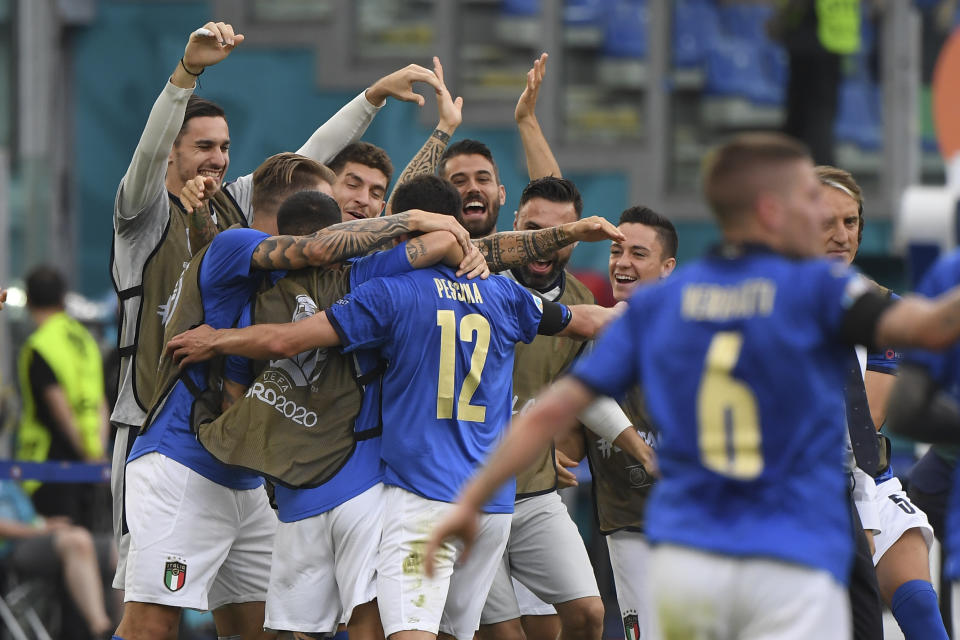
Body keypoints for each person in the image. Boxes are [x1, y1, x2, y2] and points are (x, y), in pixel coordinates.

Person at [426, 131, 960, 640]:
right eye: (807, 199)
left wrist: (470, 500)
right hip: (787, 550)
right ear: (771, 208)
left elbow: (551, 410)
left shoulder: (662, 304)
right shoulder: (814, 290)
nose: (820, 215)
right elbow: (929, 327)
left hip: (690, 560)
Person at [165, 175, 626, 640]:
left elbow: (286, 339)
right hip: (493, 506)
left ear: (403, 236)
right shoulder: (503, 294)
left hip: (424, 497)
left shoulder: (391, 294)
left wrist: (216, 339)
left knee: (406, 631)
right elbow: (584, 320)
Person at [110, 21, 444, 602]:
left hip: (239, 437)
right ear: (173, 151)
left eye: (224, 147)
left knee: (254, 616)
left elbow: (304, 171)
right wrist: (186, 75)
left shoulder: (238, 211)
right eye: (202, 146)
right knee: (147, 604)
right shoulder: (143, 217)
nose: (216, 158)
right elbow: (147, 152)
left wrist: (370, 99)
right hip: (152, 422)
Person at [115, 186, 469, 640]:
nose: (355, 226)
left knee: (258, 630)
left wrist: (454, 235)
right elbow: (323, 254)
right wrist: (426, 219)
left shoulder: (320, 281)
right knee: (152, 624)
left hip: (252, 478)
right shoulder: (235, 247)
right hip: (184, 463)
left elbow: (239, 394)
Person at [817, 164, 945, 639]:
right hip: (797, 487)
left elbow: (867, 419)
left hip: (867, 476)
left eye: (850, 222)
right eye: (826, 222)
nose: (840, 235)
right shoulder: (765, 302)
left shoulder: (882, 309)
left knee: (920, 609)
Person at [556, 205, 677, 640]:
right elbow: (574, 425)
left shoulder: (697, 331)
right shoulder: (592, 331)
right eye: (615, 251)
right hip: (627, 522)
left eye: (638, 254)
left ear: (668, 268)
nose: (622, 263)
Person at [16, 266, 109, 530]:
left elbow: (61, 410)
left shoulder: (40, 345)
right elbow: (99, 400)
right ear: (62, 298)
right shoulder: (84, 340)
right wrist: (96, 454)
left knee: (61, 547)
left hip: (48, 466)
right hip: (89, 462)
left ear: (28, 299)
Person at [0, 479, 116, 639]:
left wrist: (47, 523)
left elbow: (26, 518)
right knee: (77, 541)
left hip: (32, 535)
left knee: (117, 548)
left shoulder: (7, 478)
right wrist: (42, 529)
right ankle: (102, 629)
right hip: (11, 550)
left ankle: (127, 628)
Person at [769, 0, 861, 165]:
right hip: (832, 37)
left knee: (809, 113)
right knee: (815, 113)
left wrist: (781, 17)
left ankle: (796, 165)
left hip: (812, 36)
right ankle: (790, 164)